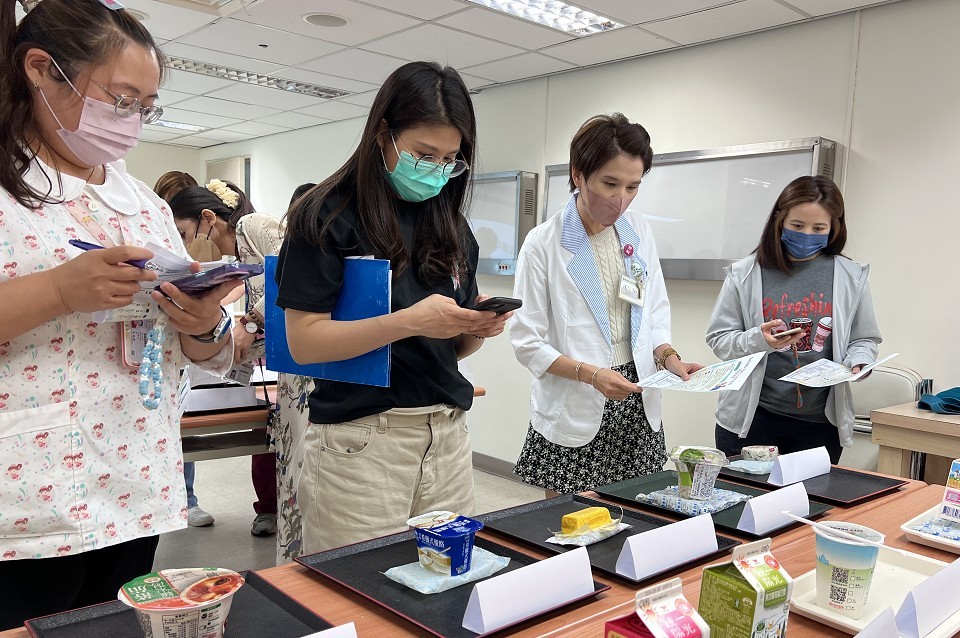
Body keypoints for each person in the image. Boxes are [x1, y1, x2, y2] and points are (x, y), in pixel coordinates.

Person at [0, 0, 238, 629]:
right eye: (121, 99)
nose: (130, 121)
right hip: (25, 501)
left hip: (135, 482)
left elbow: (197, 349)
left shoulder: (143, 205)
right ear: (42, 70)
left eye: (145, 107)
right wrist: (58, 291)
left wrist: (200, 326)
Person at [277, 61, 509, 553]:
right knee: (359, 599)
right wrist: (407, 322)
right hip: (361, 442)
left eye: (451, 160)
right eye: (425, 154)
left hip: (445, 435)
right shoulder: (327, 215)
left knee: (445, 588)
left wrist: (475, 327)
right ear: (383, 133)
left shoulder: (451, 227)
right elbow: (303, 342)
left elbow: (448, 351)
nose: (438, 171)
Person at [510, 113, 702, 496]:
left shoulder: (639, 231)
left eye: (633, 186)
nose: (620, 200)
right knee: (571, 526)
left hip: (635, 395)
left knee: (637, 517)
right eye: (610, 184)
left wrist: (669, 357)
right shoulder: (542, 243)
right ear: (578, 174)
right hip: (578, 396)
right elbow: (525, 340)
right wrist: (591, 375)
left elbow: (655, 311)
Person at [705, 175, 881, 464]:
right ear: (780, 221)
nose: (807, 234)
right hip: (753, 420)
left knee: (810, 507)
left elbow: (864, 337)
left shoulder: (850, 275)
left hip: (819, 424)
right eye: (798, 226)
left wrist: (859, 360)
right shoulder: (746, 273)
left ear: (834, 228)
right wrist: (759, 339)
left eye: (818, 228)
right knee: (745, 504)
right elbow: (720, 340)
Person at [168, 179, 282, 537]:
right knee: (275, 441)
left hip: (305, 360)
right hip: (283, 361)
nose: (184, 244)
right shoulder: (236, 258)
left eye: (184, 232)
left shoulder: (254, 225)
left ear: (207, 218)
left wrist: (249, 321)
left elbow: (299, 275)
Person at [153, 170, 214, 529]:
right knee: (166, 420)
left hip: (183, 347)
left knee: (178, 418)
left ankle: (185, 498)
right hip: (156, 342)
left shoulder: (208, 237)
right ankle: (179, 498)